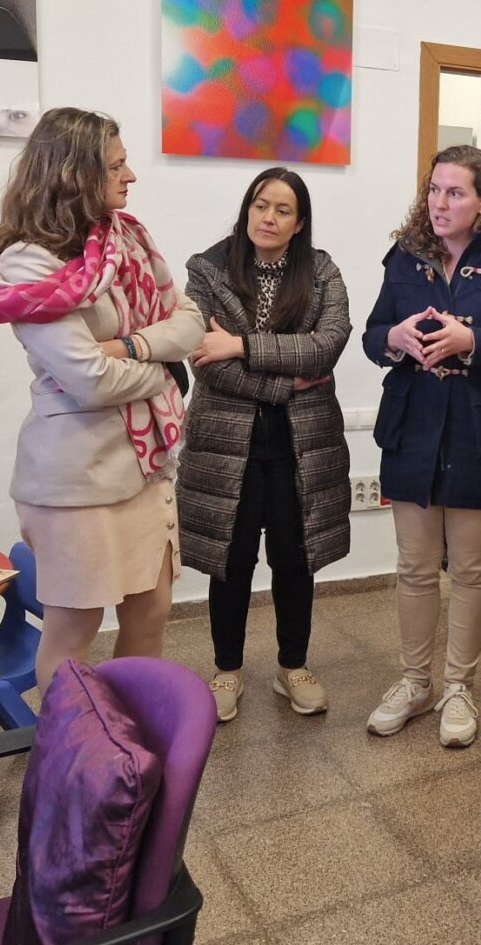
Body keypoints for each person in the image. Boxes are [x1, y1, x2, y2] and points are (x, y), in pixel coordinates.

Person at [0, 107, 205, 692]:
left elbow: (192, 320)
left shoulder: (128, 238)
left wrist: (128, 346)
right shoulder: (28, 260)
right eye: (117, 166)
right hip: (77, 479)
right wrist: (167, 369)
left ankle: (132, 743)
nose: (132, 177)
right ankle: (70, 765)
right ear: (74, 174)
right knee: (75, 634)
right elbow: (89, 380)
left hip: (145, 469)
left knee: (150, 615)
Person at [361, 144, 481, 748]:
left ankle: (458, 687)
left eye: (456, 192)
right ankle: (415, 682)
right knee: (415, 566)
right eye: (434, 191)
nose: (440, 204)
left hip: (479, 426)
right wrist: (394, 337)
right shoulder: (406, 254)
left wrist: (473, 340)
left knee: (469, 568)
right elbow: (370, 334)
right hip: (413, 424)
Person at [177, 168, 352, 722]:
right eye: (260, 205)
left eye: (282, 210)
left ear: (299, 223)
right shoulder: (206, 270)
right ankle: (226, 669)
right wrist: (285, 378)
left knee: (295, 558)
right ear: (246, 209)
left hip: (303, 442)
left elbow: (325, 347)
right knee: (229, 560)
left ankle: (292, 666)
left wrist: (241, 344)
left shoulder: (322, 272)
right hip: (226, 441)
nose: (268, 218)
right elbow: (205, 361)